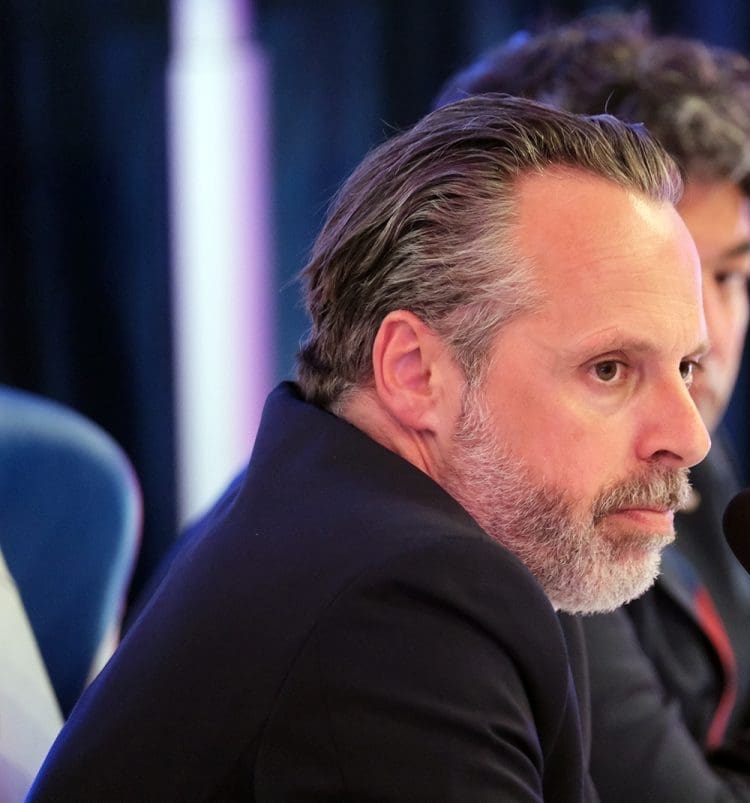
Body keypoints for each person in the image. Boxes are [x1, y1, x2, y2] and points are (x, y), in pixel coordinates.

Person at [28, 94, 712, 801]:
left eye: (688, 367)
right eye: (609, 370)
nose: (689, 438)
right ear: (414, 372)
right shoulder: (405, 603)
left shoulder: (336, 522)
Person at [437, 13, 750, 803]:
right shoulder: (519, 502)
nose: (707, 338)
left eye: (727, 278)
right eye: (665, 285)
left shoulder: (687, 442)